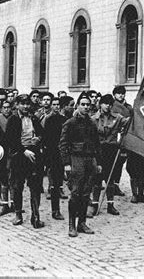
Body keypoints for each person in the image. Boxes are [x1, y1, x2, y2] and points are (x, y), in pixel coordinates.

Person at [59, 93, 102, 237]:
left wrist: (99, 162)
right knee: (75, 193)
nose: (85, 107)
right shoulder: (70, 123)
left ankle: (82, 223)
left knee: (86, 193)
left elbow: (97, 144)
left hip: (90, 160)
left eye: (87, 105)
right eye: (82, 104)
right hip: (76, 159)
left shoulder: (91, 123)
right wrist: (66, 164)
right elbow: (63, 144)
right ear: (77, 105)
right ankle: (72, 224)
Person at [6, 94, 45, 228]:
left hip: (33, 155)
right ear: (17, 105)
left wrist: (38, 139)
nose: (26, 106)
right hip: (19, 156)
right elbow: (10, 140)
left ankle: (36, 216)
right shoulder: (13, 119)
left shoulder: (34, 118)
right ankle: (18, 214)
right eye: (23, 104)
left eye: (28, 104)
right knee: (17, 186)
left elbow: (42, 133)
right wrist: (23, 150)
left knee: (35, 186)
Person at [89, 94, 129, 217]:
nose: (108, 106)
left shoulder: (117, 118)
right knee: (97, 179)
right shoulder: (93, 119)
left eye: (110, 104)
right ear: (100, 104)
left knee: (110, 178)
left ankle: (110, 205)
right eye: (105, 103)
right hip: (98, 151)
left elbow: (128, 122)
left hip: (111, 151)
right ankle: (94, 205)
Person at [43, 97, 67, 220]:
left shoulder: (64, 119)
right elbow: (44, 138)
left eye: (58, 105)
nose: (56, 107)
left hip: (62, 153)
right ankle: (55, 210)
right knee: (54, 184)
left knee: (60, 181)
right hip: (52, 154)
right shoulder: (48, 119)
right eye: (54, 104)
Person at [111, 85, 132, 197]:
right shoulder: (112, 106)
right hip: (113, 136)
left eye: (123, 93)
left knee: (120, 162)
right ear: (114, 95)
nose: (121, 95)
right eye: (118, 93)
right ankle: (109, 183)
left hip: (124, 137)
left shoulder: (129, 107)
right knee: (111, 161)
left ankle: (116, 184)